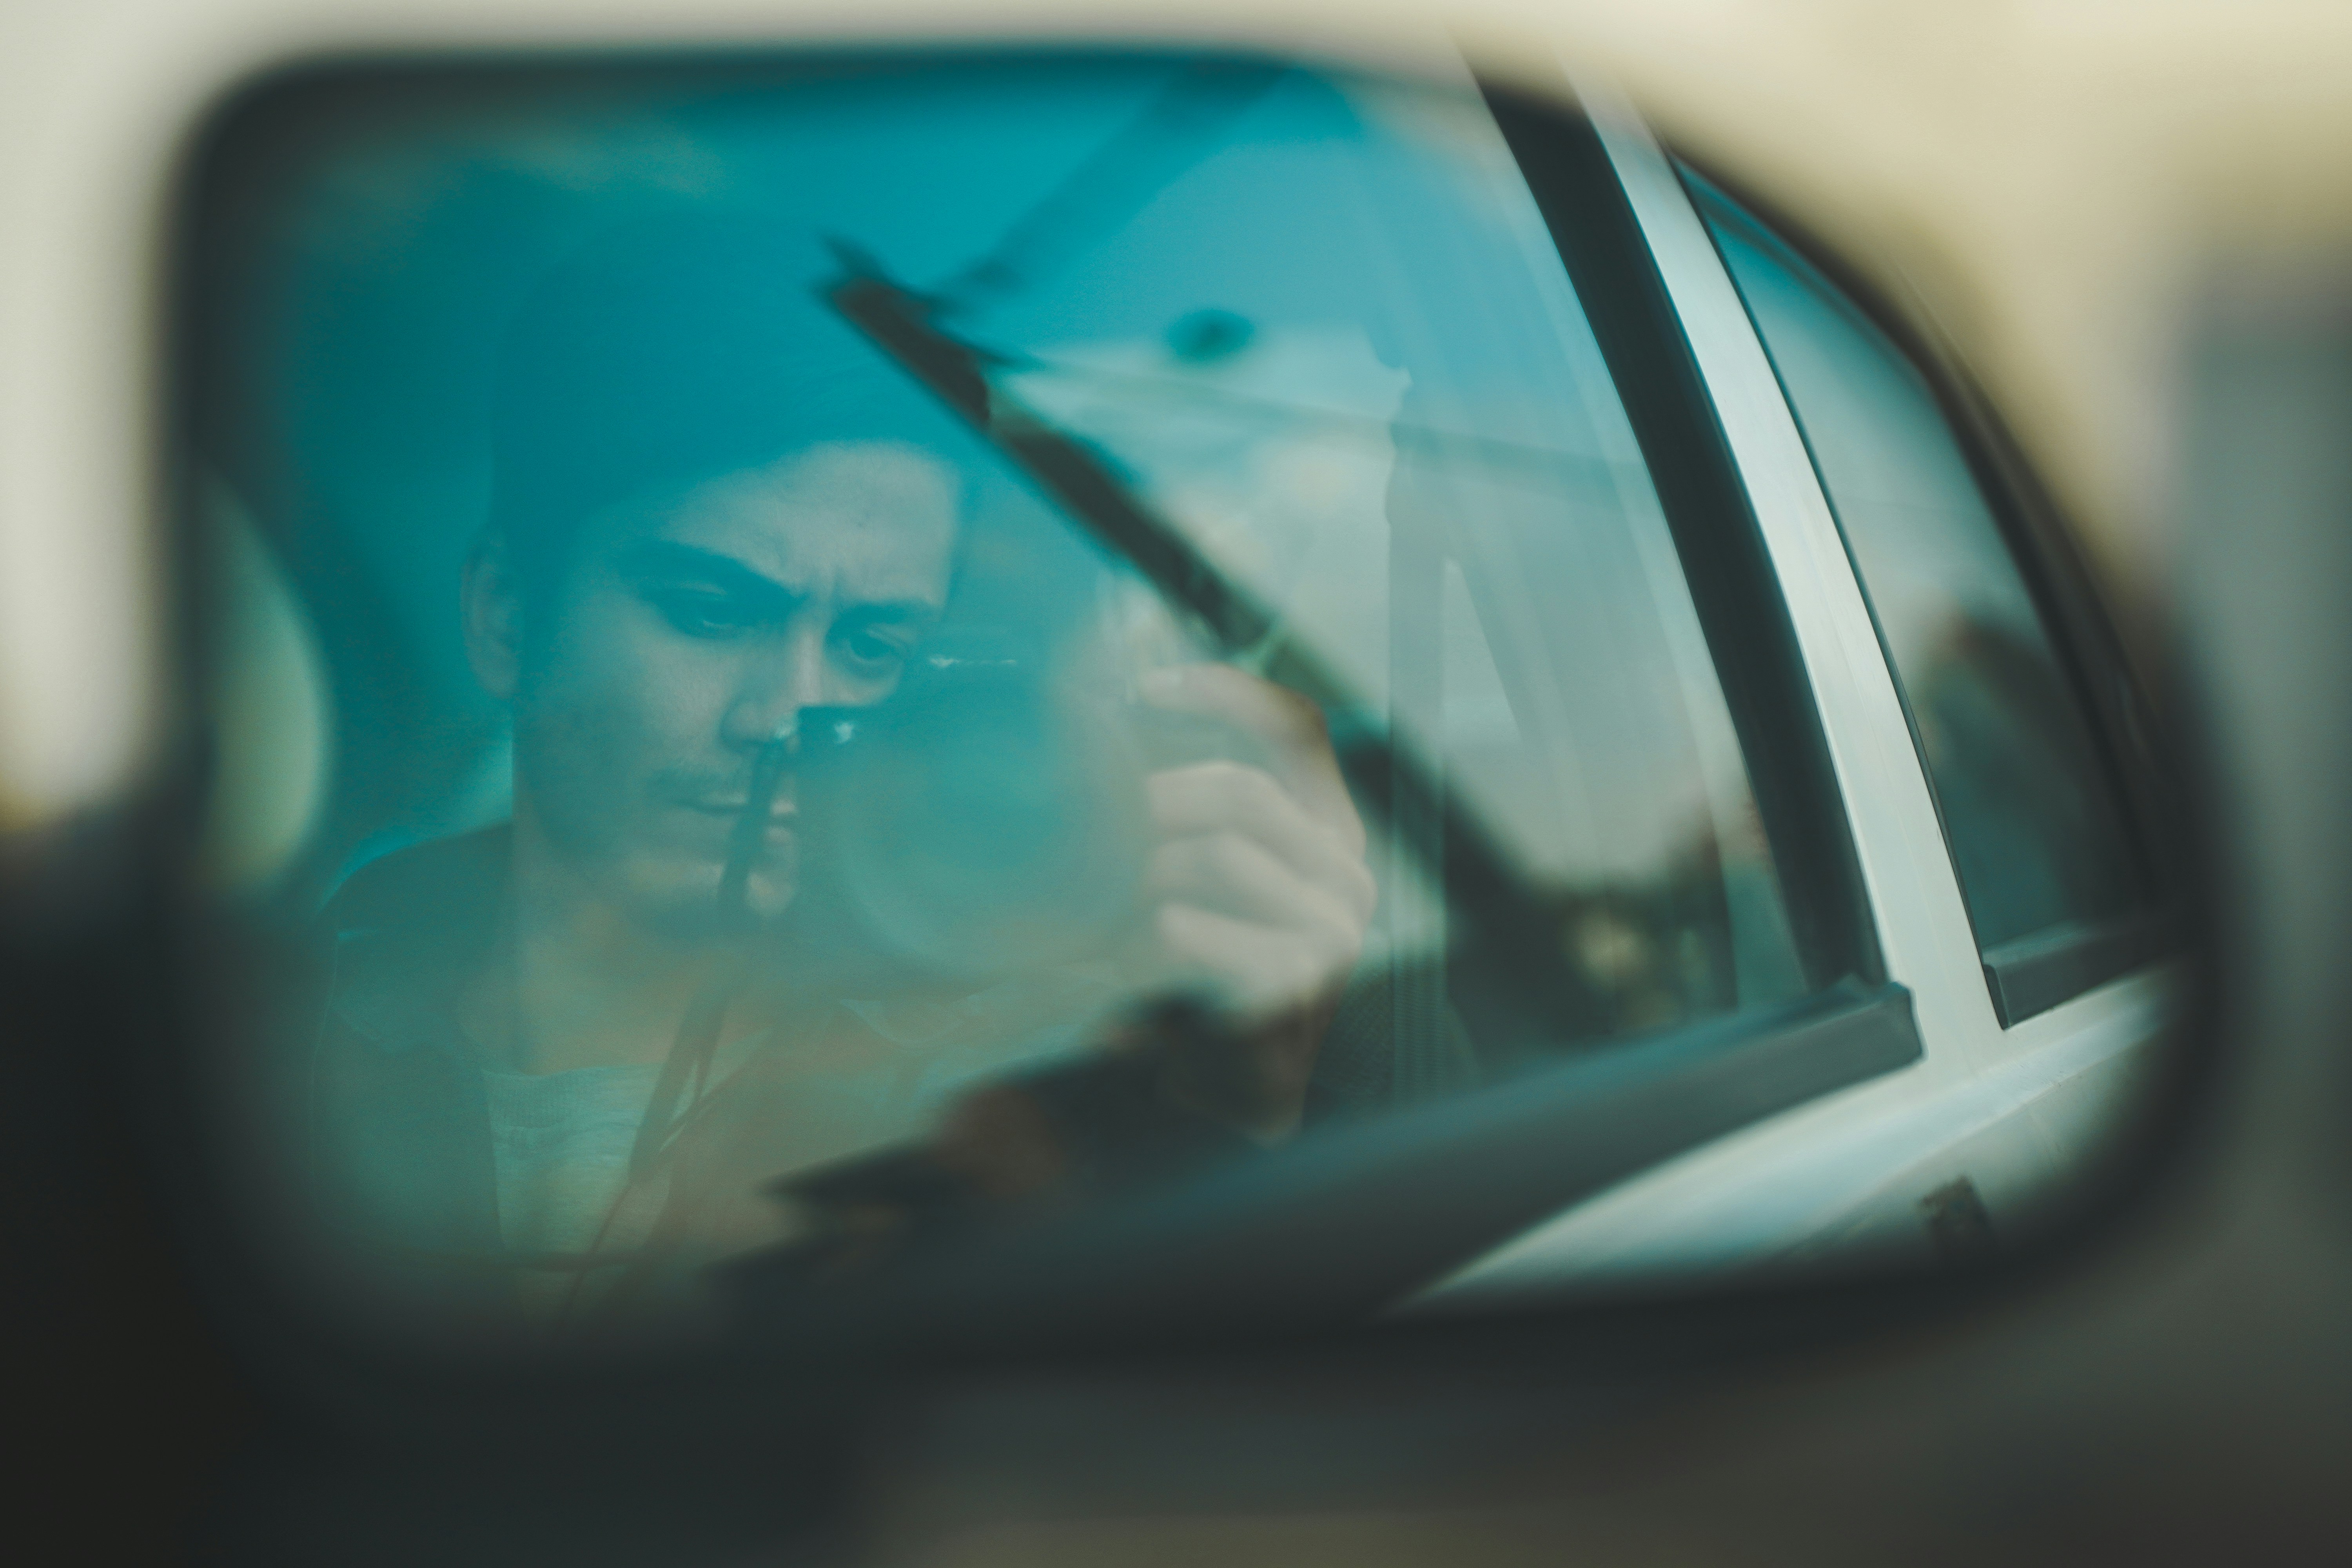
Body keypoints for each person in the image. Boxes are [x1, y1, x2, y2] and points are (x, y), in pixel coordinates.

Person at [303, 213, 1379, 1328]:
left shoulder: (1018, 1070)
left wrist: (1230, 1130)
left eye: (873, 647)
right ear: (503, 617)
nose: (789, 715)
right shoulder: (285, 1014)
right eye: (708, 612)